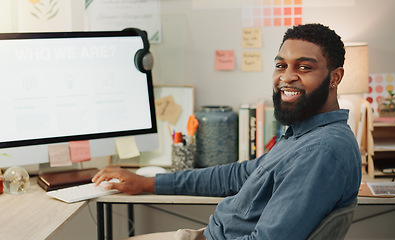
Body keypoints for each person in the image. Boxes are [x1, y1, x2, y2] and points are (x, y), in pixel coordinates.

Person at [93, 23, 362, 240]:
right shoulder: (301, 135)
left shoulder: (320, 152)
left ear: (335, 77)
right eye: (281, 65)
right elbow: (237, 175)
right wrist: (147, 183)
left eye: (304, 67)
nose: (287, 77)